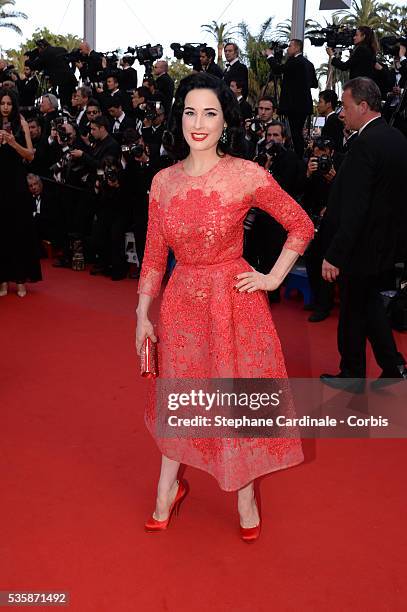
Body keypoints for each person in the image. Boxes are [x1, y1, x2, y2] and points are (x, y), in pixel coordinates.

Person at [135, 73, 314, 541]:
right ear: (179, 118)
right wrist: (141, 314)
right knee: (184, 398)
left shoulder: (245, 174)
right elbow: (154, 254)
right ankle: (165, 491)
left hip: (233, 302)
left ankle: (245, 494)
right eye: (190, 112)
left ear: (225, 120)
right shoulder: (162, 182)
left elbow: (301, 223)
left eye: (209, 112)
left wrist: (273, 277)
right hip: (181, 303)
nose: (198, 123)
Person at [320, 77, 407, 389]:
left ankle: (352, 375)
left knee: (352, 314)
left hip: (360, 247)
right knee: (369, 306)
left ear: (363, 106)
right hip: (386, 245)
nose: (343, 113)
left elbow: (357, 207)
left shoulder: (366, 144)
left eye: (346, 107)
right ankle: (393, 366)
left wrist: (335, 254)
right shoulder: (397, 137)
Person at [0, 88, 41, 297]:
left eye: (8, 103)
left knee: (19, 230)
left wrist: (13, 143)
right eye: (2, 103)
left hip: (17, 183)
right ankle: (3, 280)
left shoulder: (21, 123)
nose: (5, 107)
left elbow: (30, 155)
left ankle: (21, 278)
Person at [265, 39, 317, 157]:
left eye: (290, 46)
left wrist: (270, 56)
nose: (288, 49)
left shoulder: (294, 61)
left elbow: (278, 70)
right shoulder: (309, 64)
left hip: (294, 105)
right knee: (297, 132)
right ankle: (299, 155)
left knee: (295, 133)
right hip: (305, 105)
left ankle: (297, 157)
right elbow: (314, 83)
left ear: (297, 48)